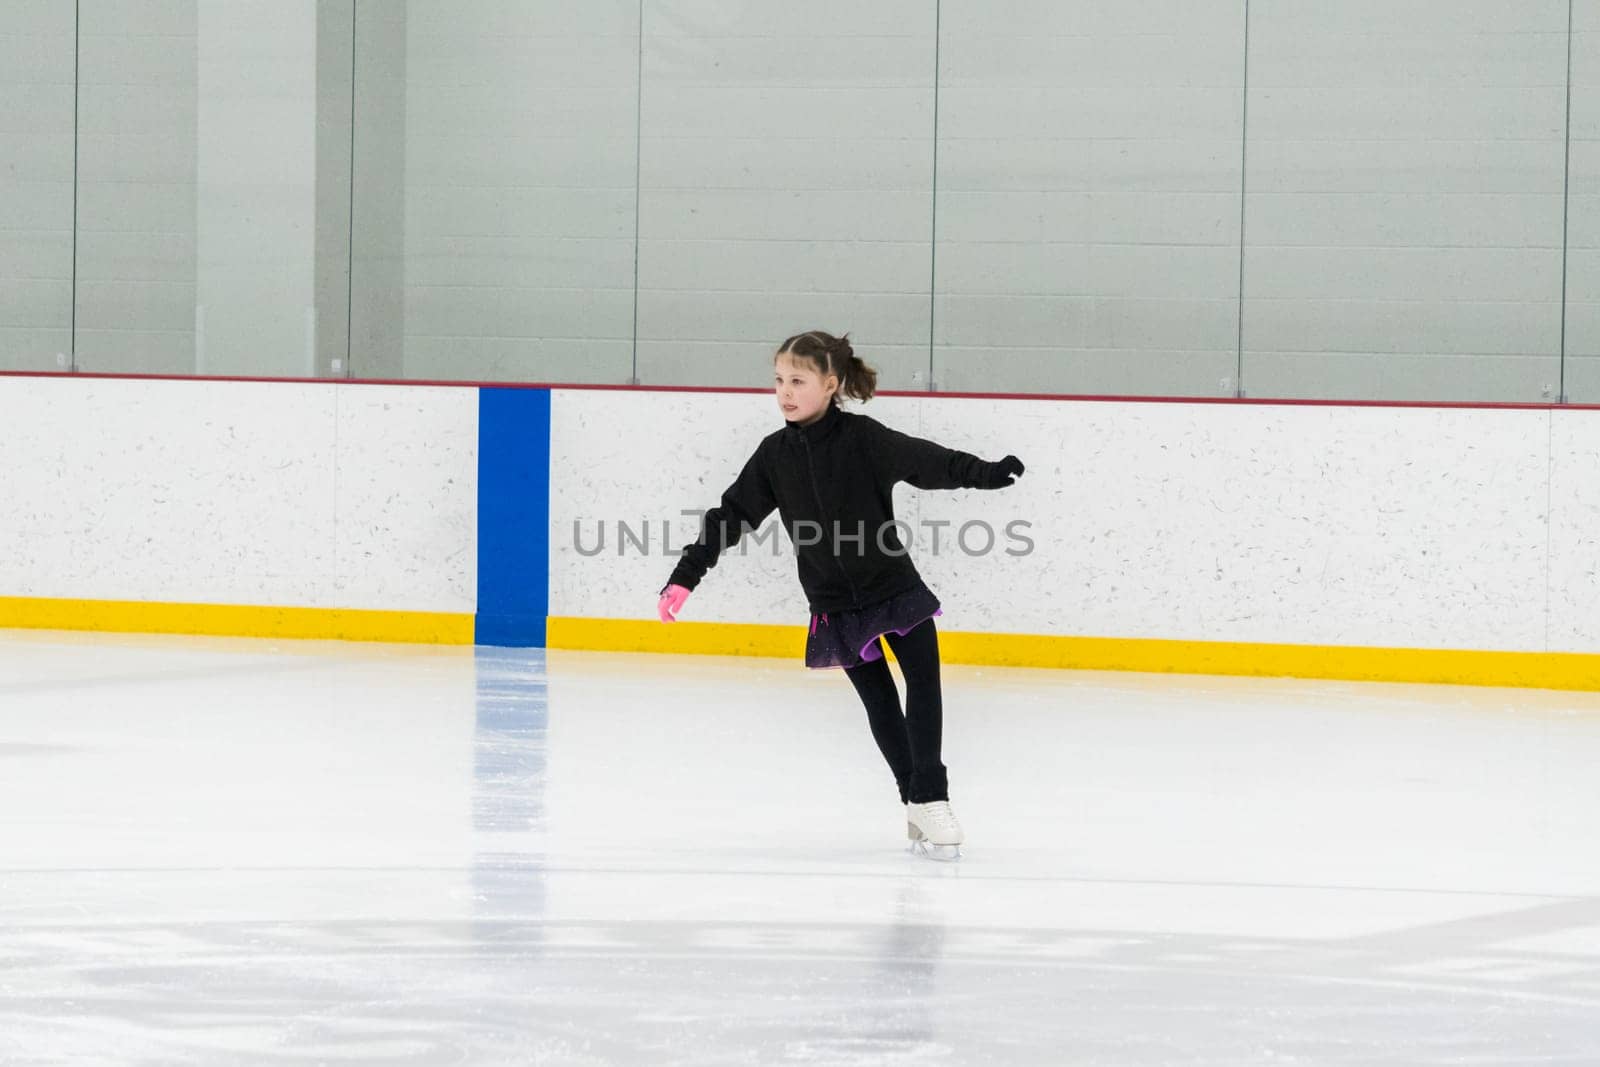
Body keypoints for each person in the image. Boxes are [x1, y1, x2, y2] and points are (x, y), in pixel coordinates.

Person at [656, 330, 1024, 858]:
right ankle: (913, 800)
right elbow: (730, 516)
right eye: (779, 380)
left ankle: (932, 796)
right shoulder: (773, 456)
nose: (785, 391)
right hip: (833, 601)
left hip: (893, 586)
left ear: (830, 385)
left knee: (924, 684)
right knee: (880, 704)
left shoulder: (863, 439)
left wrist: (986, 475)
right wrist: (686, 575)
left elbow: (928, 462)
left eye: (798, 381)